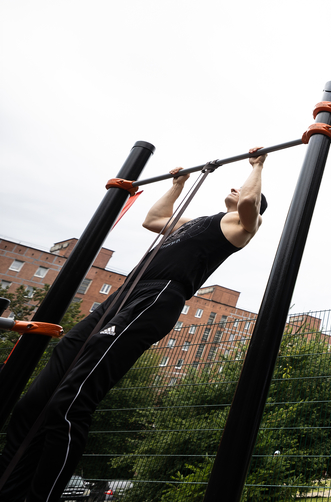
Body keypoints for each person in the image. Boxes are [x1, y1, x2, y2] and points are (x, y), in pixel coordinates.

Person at [0, 147, 268, 502]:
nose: (235, 189)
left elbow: (250, 200)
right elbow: (154, 220)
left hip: (156, 299)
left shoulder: (241, 227)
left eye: (242, 190)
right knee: (33, 402)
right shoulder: (203, 221)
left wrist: (258, 165)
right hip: (123, 296)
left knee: (68, 404)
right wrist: (178, 185)